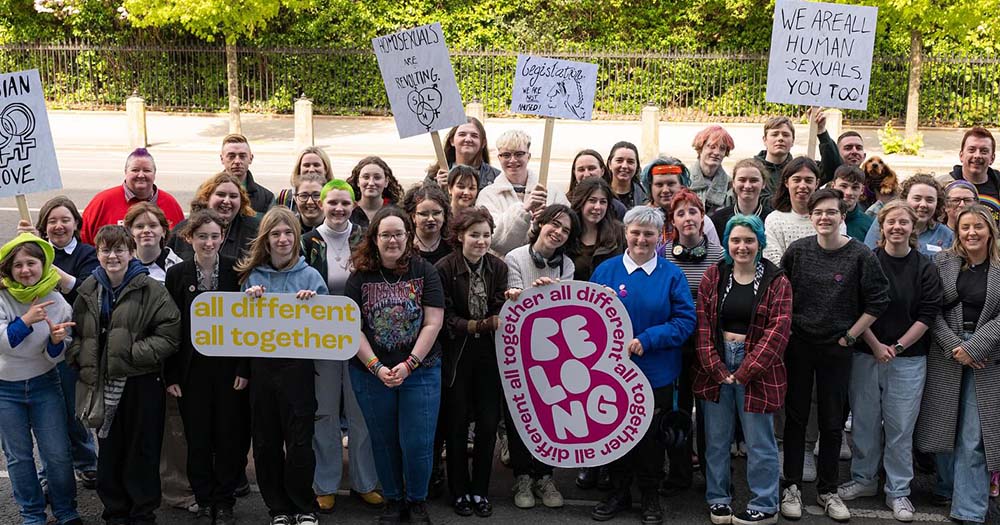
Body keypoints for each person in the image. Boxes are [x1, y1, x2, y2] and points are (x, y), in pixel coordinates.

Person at [778, 189, 890, 522]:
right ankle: (792, 486)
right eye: (818, 212)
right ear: (810, 217)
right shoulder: (798, 252)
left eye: (831, 212)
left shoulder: (860, 255)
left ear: (843, 216)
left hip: (837, 348)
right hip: (799, 345)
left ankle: (828, 490)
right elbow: (782, 294)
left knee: (832, 421)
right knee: (796, 418)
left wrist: (852, 335)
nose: (824, 217)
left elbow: (878, 300)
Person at [589, 206, 697, 524]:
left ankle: (649, 494)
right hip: (610, 371)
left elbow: (685, 320)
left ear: (660, 237)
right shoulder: (605, 271)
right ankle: (619, 491)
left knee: (650, 437)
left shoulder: (671, 275)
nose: (641, 239)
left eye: (649, 233)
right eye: (635, 232)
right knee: (615, 431)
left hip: (656, 371)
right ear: (625, 233)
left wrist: (648, 339)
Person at [836, 201, 942, 522]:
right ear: (881, 227)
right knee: (865, 421)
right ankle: (864, 479)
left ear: (913, 229)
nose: (897, 227)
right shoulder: (868, 261)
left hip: (908, 359)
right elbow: (857, 308)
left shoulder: (925, 267)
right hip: (867, 354)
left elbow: (927, 314)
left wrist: (895, 346)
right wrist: (877, 345)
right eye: (891, 222)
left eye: (904, 223)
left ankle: (898, 490)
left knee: (899, 428)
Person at [69, 225, 181, 525]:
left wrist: (130, 354)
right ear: (98, 253)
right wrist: (80, 354)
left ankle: (142, 512)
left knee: (141, 449)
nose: (112, 255)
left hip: (141, 381)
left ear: (131, 253)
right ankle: (115, 511)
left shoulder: (151, 289)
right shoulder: (88, 290)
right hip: (103, 383)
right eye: (106, 249)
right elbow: (77, 333)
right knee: (110, 448)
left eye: (119, 249)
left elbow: (169, 334)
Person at [345, 207, 445, 525]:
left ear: (408, 236)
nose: (392, 240)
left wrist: (409, 364)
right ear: (374, 238)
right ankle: (393, 499)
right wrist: (375, 367)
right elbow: (352, 327)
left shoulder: (424, 271)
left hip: (421, 370)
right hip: (370, 373)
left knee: (417, 441)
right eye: (385, 234)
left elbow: (433, 322)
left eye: (398, 233)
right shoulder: (359, 277)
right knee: (383, 438)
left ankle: (416, 500)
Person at [693, 214, 791, 525]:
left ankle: (764, 504)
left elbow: (778, 331)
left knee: (760, 441)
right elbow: (703, 325)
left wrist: (746, 370)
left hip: (758, 370)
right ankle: (718, 499)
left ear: (760, 243)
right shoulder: (715, 275)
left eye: (749, 240)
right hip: (717, 365)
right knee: (717, 439)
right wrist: (716, 367)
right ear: (726, 243)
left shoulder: (778, 281)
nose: (742, 246)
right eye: (735, 240)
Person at [236, 206, 326, 525]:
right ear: (266, 240)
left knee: (300, 442)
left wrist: (314, 305)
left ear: (296, 237)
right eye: (276, 234)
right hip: (262, 370)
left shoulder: (311, 276)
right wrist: (247, 302)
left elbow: (328, 327)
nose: (283, 239)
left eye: (288, 232)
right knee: (266, 442)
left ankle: (304, 506)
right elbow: (237, 331)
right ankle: (279, 509)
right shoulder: (252, 277)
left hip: (298, 371)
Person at [915, 204, 1000, 525]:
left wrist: (976, 346)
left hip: (988, 356)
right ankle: (947, 487)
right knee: (943, 426)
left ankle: (969, 509)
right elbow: (930, 309)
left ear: (990, 231)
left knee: (975, 434)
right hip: (947, 351)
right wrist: (956, 347)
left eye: (979, 226)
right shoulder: (943, 262)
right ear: (956, 230)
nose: (971, 233)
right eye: (965, 227)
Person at [301, 180, 382, 514]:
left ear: (353, 206)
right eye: (332, 202)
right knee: (325, 412)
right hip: (320, 340)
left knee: (361, 411)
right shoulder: (307, 242)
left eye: (345, 203)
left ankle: (365, 483)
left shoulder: (365, 238)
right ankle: (326, 484)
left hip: (359, 336)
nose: (338, 209)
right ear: (322, 204)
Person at [164, 209, 249, 525]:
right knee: (197, 438)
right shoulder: (177, 275)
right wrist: (171, 374)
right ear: (190, 238)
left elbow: (248, 325)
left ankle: (224, 501)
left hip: (228, 371)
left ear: (222, 237)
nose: (209, 242)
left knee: (229, 437)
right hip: (192, 372)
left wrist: (244, 368)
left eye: (214, 236)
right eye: (202, 236)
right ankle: (203, 500)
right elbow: (170, 328)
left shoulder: (236, 272)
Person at [17, 197, 100, 489]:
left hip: (71, 343)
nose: (58, 225)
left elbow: (85, 291)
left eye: (65, 219)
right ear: (43, 227)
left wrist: (47, 262)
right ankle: (48, 471)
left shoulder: (88, 254)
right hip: (35, 346)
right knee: (44, 412)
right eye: (51, 221)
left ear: (76, 224)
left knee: (70, 408)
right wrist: (27, 252)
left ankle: (86, 460)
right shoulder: (32, 254)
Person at [502, 204, 580, 510]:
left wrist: (552, 294)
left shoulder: (567, 265)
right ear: (541, 223)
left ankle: (545, 476)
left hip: (554, 356)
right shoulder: (515, 257)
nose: (558, 232)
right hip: (519, 353)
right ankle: (522, 476)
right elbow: (514, 298)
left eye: (566, 229)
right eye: (554, 224)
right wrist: (533, 293)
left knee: (550, 414)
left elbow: (566, 308)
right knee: (520, 415)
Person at [0, 233, 81, 525]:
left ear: (44, 264)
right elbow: (5, 344)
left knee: (57, 454)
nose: (24, 270)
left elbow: (54, 358)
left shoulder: (58, 302)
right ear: (8, 269)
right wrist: (25, 321)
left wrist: (57, 342)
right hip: (5, 389)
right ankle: (31, 514)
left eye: (31, 263)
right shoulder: (2, 296)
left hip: (44, 384)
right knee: (19, 457)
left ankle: (66, 510)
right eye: (17, 265)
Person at [435, 206, 508, 518]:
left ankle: (480, 489)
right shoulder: (444, 268)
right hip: (458, 354)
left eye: (486, 235)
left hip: (489, 356)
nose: (481, 241)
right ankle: (459, 490)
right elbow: (445, 317)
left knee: (489, 424)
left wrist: (492, 319)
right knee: (457, 424)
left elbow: (500, 304)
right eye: (474, 234)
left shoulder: (498, 267)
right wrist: (477, 325)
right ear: (460, 236)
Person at [659, 189, 724, 496]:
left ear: (702, 217)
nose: (688, 218)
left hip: (709, 343)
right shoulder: (663, 253)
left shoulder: (719, 255)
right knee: (679, 408)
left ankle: (715, 476)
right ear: (673, 221)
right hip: (676, 344)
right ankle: (679, 471)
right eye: (680, 213)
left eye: (693, 212)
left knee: (711, 411)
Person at [476, 129, 569, 256]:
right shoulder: (488, 195)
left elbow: (567, 229)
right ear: (499, 158)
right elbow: (496, 241)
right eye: (506, 155)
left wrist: (545, 222)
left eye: (519, 154)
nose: (513, 160)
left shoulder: (553, 191)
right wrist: (523, 210)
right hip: (502, 270)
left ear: (528, 156)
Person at [80, 148, 185, 245]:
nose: (141, 175)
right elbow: (83, 240)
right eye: (135, 170)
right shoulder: (102, 202)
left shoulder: (170, 203)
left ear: (154, 173)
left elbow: (182, 244)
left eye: (147, 170)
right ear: (125, 172)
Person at [170, 173, 261, 261]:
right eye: (220, 194)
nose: (226, 201)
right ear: (207, 198)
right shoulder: (184, 229)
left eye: (233, 196)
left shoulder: (254, 232)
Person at [642, 157, 721, 256]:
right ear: (650, 188)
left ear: (682, 186)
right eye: (659, 184)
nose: (665, 190)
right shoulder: (641, 221)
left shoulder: (700, 221)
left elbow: (716, 258)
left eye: (671, 184)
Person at [755, 111, 841, 197]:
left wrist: (821, 131)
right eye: (775, 134)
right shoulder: (753, 170)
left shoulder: (804, 169)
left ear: (793, 141)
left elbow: (833, 169)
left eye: (785, 135)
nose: (780, 138)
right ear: (765, 140)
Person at [864, 174, 953, 257]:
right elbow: (868, 258)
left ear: (937, 203)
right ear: (904, 199)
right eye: (917, 199)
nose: (923, 205)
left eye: (929, 200)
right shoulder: (885, 224)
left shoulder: (946, 235)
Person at [763, 157, 826, 264]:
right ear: (786, 182)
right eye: (796, 180)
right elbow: (773, 261)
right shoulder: (774, 220)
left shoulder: (828, 218)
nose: (802, 186)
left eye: (808, 180)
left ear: (817, 183)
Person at [569, 177, 626, 282]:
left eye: (603, 202)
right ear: (581, 201)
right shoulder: (567, 231)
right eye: (592, 200)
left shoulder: (620, 232)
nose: (597, 207)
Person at [428, 117, 500, 189]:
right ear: (452, 141)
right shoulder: (435, 175)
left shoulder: (496, 178)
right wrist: (440, 190)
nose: (468, 139)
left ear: (483, 143)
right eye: (462, 134)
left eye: (474, 136)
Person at [124, 203, 183, 283]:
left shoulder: (179, 267)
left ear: (163, 231)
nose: (146, 231)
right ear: (130, 232)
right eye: (140, 226)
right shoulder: (123, 265)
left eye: (153, 226)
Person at [711, 158, 773, 234]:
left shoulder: (772, 220)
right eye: (742, 180)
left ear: (763, 184)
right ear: (733, 183)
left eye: (753, 180)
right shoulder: (718, 219)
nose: (747, 186)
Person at [346, 156, 404, 231]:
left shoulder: (396, 212)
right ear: (358, 181)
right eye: (366, 177)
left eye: (377, 178)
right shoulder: (348, 211)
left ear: (386, 182)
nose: (371, 183)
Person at [220, 134, 273, 216]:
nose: (237, 161)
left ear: (250, 158)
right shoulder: (208, 192)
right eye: (231, 156)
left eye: (242, 156)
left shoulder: (266, 198)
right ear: (222, 159)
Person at [689, 125, 735, 214]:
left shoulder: (731, 185)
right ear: (700, 148)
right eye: (712, 147)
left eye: (722, 148)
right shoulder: (683, 181)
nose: (717, 152)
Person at [568, 149, 626, 219]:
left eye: (591, 168)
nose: (586, 174)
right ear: (574, 173)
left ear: (602, 171)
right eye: (581, 169)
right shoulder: (566, 203)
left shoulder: (616, 208)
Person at [403, 183, 454, 265]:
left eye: (436, 213)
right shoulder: (404, 244)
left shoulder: (452, 244)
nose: (431, 219)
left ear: (444, 214)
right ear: (413, 217)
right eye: (424, 214)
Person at [949, 126, 1000, 204]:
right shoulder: (943, 186)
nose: (977, 155)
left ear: (992, 158)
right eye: (971, 150)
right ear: (961, 155)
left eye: (984, 151)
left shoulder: (997, 184)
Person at [275, 146, 335, 211]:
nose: (311, 169)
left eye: (316, 165)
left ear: (326, 169)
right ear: (299, 169)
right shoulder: (285, 198)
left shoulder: (338, 197)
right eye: (306, 165)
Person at [830, 165, 874, 241]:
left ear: (862, 190)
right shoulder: (820, 219)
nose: (849, 192)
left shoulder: (869, 225)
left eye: (855, 187)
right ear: (833, 186)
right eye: (843, 186)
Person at [604, 141, 647, 209]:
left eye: (630, 162)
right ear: (609, 164)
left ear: (637, 166)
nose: (624, 166)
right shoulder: (599, 194)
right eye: (619, 160)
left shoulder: (646, 197)